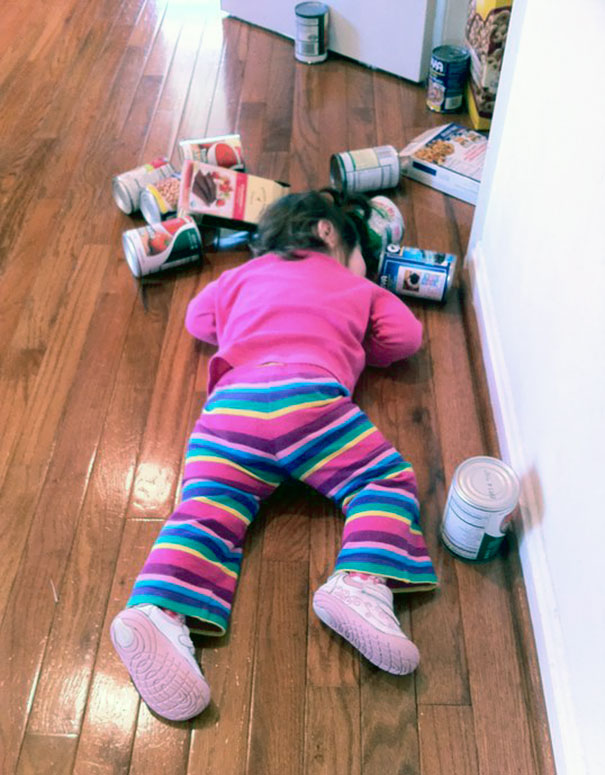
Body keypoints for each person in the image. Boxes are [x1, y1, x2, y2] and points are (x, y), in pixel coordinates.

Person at [110, 190, 438, 722]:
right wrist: (358, 340)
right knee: (383, 481)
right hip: (307, 398)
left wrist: (243, 320)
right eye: (360, 251)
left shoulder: (239, 276)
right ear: (328, 232)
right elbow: (405, 338)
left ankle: (160, 609)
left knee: (206, 511)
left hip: (229, 409)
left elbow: (198, 320)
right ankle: (362, 582)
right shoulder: (357, 285)